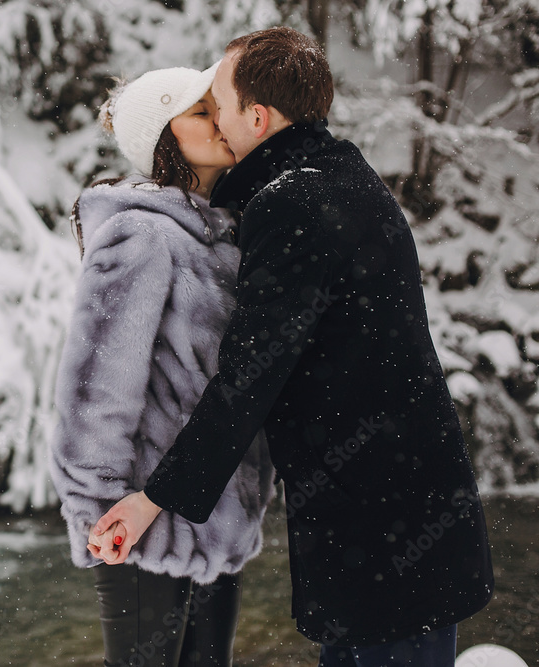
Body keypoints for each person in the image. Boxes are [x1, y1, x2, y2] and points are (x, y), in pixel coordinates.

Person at [90, 27, 494, 666]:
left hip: (381, 529)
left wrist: (154, 499)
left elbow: (251, 375)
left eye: (215, 100)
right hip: (402, 514)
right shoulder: (338, 172)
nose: (214, 116)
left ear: (255, 116)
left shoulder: (294, 201)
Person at [48, 65, 277, 667]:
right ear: (164, 137)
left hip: (214, 518)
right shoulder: (142, 235)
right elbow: (95, 389)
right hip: (144, 524)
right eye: (200, 113)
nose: (220, 121)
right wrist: (96, 509)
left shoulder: (224, 238)